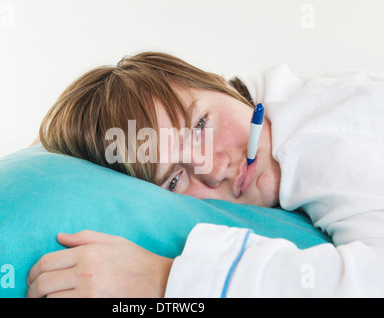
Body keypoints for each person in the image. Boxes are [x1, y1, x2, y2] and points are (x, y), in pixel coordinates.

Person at [26, 52, 384, 297]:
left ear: (219, 85)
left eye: (200, 125)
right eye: (174, 179)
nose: (214, 170)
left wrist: (163, 279)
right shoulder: (259, 102)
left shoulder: (321, 144)